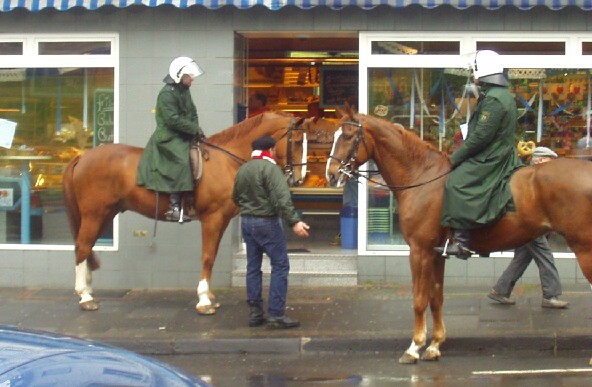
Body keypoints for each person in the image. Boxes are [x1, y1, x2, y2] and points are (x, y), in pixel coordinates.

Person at [435, 50, 523, 259]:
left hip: (491, 156)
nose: (472, 73)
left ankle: (463, 242)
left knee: (456, 182)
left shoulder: (493, 99)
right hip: (498, 151)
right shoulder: (500, 95)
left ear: (481, 70)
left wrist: (455, 158)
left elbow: (480, 138)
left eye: (474, 69)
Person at [232, 135, 310, 329]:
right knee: (280, 265)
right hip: (267, 222)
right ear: (272, 150)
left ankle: (255, 313)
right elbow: (282, 198)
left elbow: (235, 196)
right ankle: (276, 314)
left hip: (247, 222)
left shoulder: (243, 169)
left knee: (253, 266)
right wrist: (294, 222)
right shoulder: (271, 169)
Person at [488, 146, 569, 309]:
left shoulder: (531, 176)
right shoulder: (530, 177)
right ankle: (551, 295)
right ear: (539, 160)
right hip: (529, 225)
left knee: (522, 258)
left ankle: (501, 290)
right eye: (549, 161)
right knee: (545, 257)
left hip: (528, 225)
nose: (552, 165)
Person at [136, 56, 206, 223]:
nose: (192, 79)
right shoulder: (167, 94)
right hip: (168, 136)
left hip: (184, 133)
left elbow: (192, 112)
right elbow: (172, 120)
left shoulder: (185, 91)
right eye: (190, 76)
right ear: (180, 76)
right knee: (181, 161)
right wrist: (193, 128)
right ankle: (173, 207)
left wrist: (195, 129)